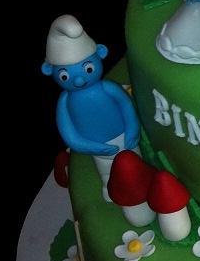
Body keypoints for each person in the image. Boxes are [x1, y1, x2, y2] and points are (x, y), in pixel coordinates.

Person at [41, 15, 141, 200]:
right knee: (107, 171)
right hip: (98, 147)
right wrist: (90, 147)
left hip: (125, 138)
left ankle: (142, 184)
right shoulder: (65, 101)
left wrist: (132, 129)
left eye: (87, 69)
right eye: (65, 76)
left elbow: (126, 105)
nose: (79, 80)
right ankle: (109, 187)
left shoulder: (108, 88)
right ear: (48, 70)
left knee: (136, 166)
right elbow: (69, 133)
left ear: (101, 52)